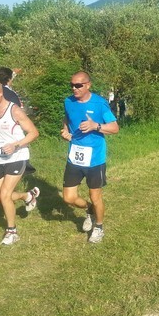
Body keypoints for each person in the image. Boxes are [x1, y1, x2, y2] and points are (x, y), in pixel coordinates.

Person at [60, 71, 119, 243]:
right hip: (75, 156)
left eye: (78, 85)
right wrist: (66, 131)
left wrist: (95, 126)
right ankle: (89, 210)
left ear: (88, 85)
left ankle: (99, 227)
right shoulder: (68, 101)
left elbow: (115, 128)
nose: (74, 88)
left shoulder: (99, 103)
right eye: (71, 85)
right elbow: (67, 118)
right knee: (68, 198)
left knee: (95, 196)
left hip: (95, 158)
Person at [0, 80, 40, 245]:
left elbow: (34, 133)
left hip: (17, 157)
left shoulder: (14, 111)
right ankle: (27, 195)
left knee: (5, 195)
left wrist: (15, 145)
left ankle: (12, 232)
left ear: (0, 93)